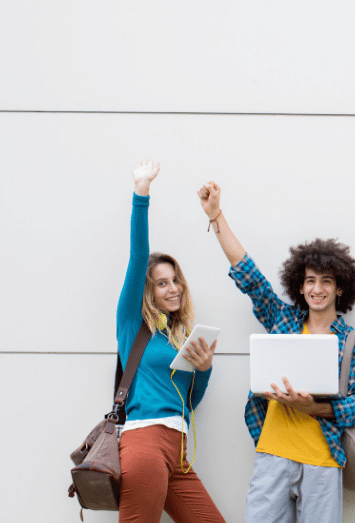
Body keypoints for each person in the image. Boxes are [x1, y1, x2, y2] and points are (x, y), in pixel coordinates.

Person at [197, 181, 355, 523]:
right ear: (300, 285)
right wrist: (216, 216)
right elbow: (249, 276)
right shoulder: (283, 319)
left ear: (341, 288)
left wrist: (315, 407)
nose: (317, 288)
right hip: (273, 455)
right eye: (310, 280)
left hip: (323, 460)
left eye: (326, 281)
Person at [117, 161, 225, 523]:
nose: (173, 287)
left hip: (177, 448)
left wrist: (204, 370)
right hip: (144, 442)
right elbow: (137, 255)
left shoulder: (178, 338)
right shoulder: (133, 325)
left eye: (175, 279)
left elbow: (188, 402)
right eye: (162, 282)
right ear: (148, 290)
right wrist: (141, 193)